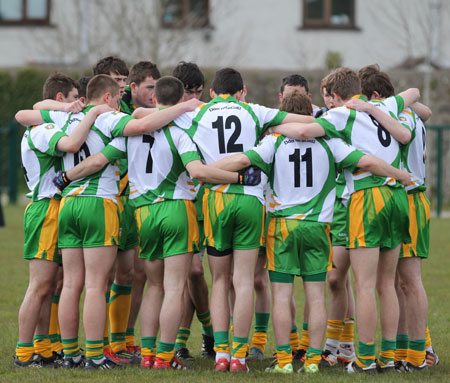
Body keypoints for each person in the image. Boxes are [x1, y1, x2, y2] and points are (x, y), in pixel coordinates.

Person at [54, 76, 260, 371]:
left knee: (154, 285)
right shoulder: (181, 131)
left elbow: (97, 161)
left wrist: (66, 177)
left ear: (154, 100)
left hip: (144, 215)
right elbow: (197, 170)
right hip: (177, 211)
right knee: (175, 287)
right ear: (181, 102)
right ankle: (165, 357)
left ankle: (147, 354)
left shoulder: (130, 135)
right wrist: (239, 178)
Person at [210, 89, 411, 374]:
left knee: (281, 295)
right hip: (318, 227)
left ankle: (283, 363)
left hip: (282, 227)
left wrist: (206, 169)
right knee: (316, 295)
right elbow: (367, 162)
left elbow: (242, 161)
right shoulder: (330, 141)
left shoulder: (274, 141)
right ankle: (314, 361)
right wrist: (398, 173)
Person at [270, 67, 420, 374]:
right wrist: (369, 106)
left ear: (337, 97)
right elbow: (415, 93)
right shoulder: (383, 105)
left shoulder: (340, 114)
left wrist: (270, 128)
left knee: (364, 285)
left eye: (330, 99)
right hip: (398, 197)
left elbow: (301, 132)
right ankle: (388, 357)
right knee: (386, 284)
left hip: (367, 196)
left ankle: (364, 360)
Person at [174, 67, 314, 372]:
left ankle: (221, 355)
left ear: (211, 92)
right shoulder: (255, 111)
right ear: (243, 92)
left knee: (220, 281)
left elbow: (145, 117)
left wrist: (183, 105)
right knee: (244, 281)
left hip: (216, 201)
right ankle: (239, 356)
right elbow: (304, 122)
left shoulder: (197, 113)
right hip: (251, 199)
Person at [14, 73, 113, 368]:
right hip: (45, 209)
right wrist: (92, 112)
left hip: (60, 208)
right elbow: (71, 145)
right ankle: (22, 354)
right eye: (72, 99)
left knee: (55, 285)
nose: (76, 106)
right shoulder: (43, 129)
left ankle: (45, 348)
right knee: (40, 285)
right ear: (61, 100)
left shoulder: (48, 120)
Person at [358, 64, 437, 371]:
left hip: (407, 196)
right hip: (405, 199)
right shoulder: (413, 114)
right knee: (398, 283)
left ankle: (420, 354)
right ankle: (406, 351)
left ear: (376, 96)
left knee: (409, 281)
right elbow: (425, 111)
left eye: (367, 99)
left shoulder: (383, 115)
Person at [172, 61, 215, 361]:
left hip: (207, 204)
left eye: (200, 92)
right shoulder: (163, 116)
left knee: (194, 274)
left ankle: (203, 336)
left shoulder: (206, 115)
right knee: (190, 272)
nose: (196, 99)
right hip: (177, 206)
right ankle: (186, 339)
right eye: (190, 92)